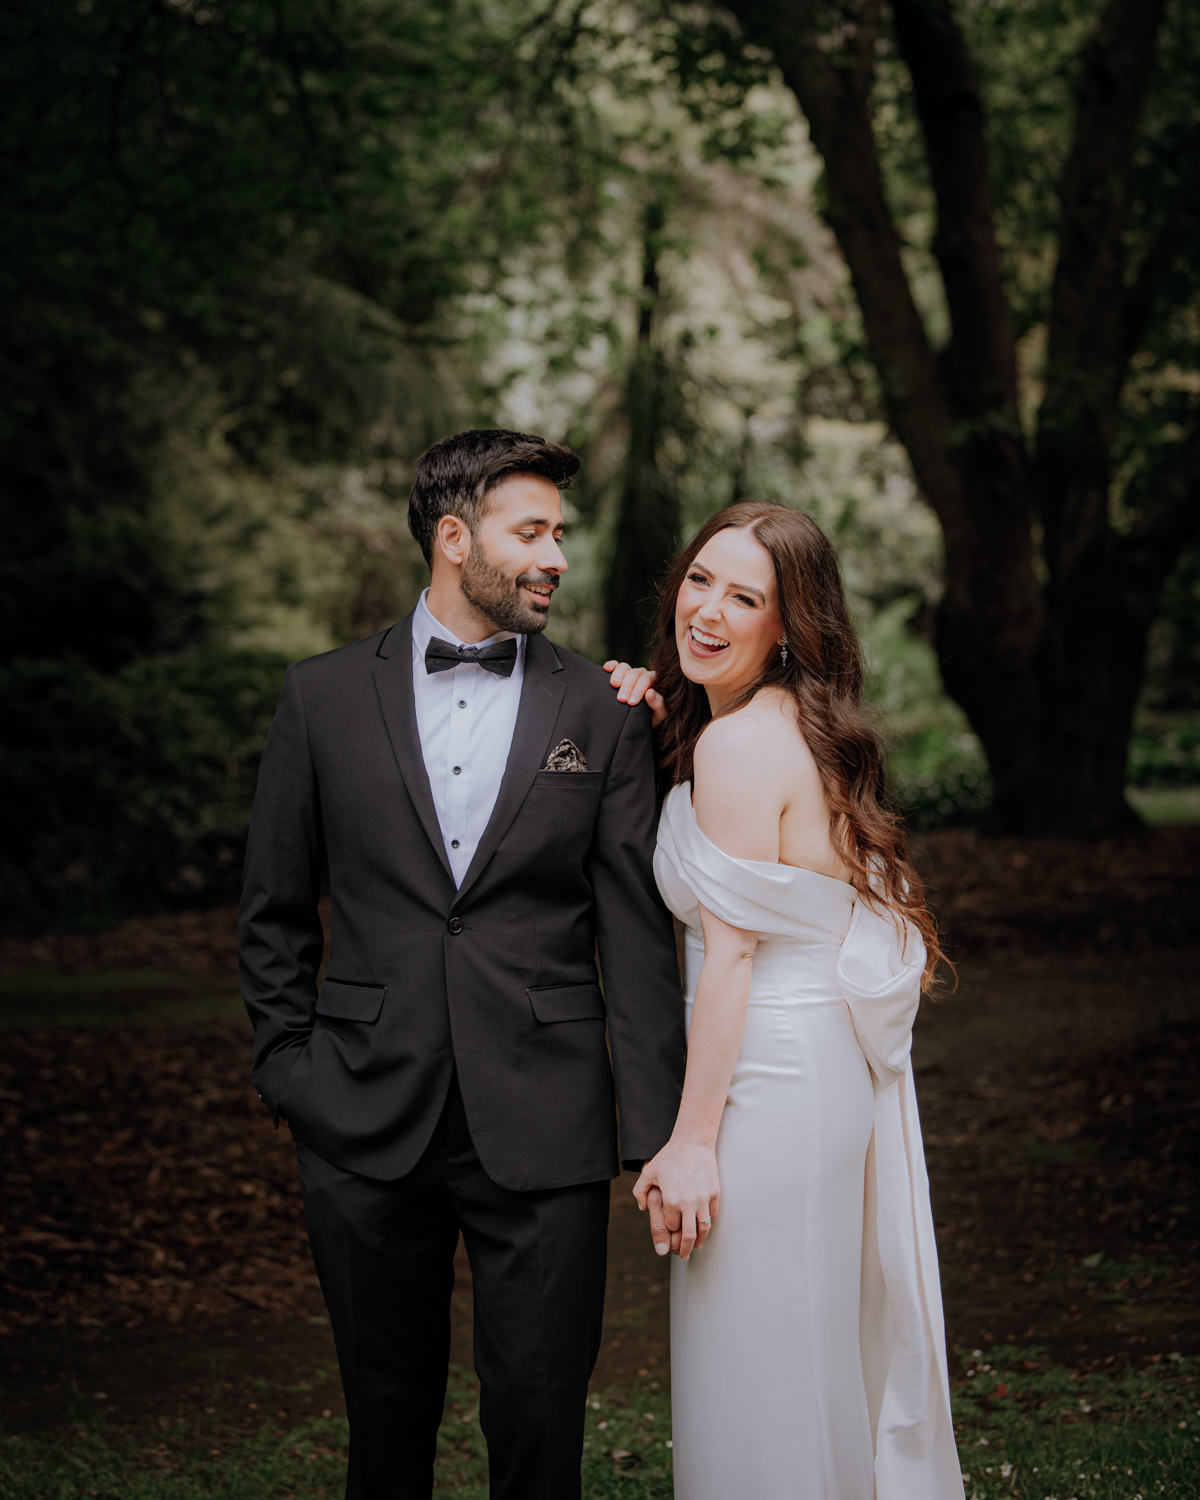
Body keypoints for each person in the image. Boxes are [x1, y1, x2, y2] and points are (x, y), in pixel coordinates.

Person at [239, 428, 686, 1500]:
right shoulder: (320, 697)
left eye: (560, 534)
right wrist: (292, 1074)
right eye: (531, 531)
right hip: (359, 1112)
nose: (557, 558)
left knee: (539, 1417)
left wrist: (657, 1137)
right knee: (383, 1415)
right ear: (453, 537)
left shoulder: (604, 710)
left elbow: (633, 934)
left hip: (545, 1121)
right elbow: (273, 913)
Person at [606, 500, 965, 1499]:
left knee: (764, 1360)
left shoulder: (735, 747)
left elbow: (730, 961)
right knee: (790, 1350)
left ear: (789, 626)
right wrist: (652, 711)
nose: (708, 611)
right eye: (699, 580)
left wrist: (689, 1142)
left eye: (745, 597)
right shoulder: (761, 727)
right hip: (813, 1069)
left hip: (767, 1078)